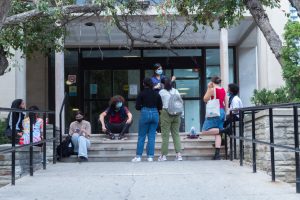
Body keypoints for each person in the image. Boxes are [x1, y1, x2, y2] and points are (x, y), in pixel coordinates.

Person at [132, 77, 163, 162]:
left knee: (142, 136)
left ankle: (138, 156)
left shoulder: (141, 94)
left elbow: (137, 107)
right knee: (152, 137)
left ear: (143, 84)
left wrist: (143, 107)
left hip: (145, 113)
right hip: (155, 113)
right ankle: (150, 157)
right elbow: (160, 107)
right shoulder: (157, 94)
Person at [201, 76, 229, 160]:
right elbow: (226, 102)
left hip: (214, 112)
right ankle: (217, 155)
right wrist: (226, 112)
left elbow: (205, 99)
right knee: (217, 134)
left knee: (204, 131)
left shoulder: (212, 89)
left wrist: (208, 88)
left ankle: (223, 130)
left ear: (212, 82)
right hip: (221, 111)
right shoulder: (223, 90)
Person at [158, 77, 183, 161]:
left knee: (165, 135)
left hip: (166, 113)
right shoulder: (176, 91)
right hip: (177, 114)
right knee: (176, 134)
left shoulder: (161, 92)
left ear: (163, 84)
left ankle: (163, 156)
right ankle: (179, 155)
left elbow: (159, 103)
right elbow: (180, 102)